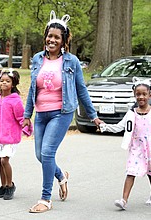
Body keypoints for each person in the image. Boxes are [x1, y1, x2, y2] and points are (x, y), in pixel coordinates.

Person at [23, 10, 103, 213]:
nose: (52, 40)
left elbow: (81, 89)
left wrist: (93, 115)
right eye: (50, 36)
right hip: (41, 113)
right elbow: (33, 88)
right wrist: (26, 115)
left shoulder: (71, 61)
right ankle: (61, 176)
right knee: (41, 155)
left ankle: (45, 198)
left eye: (57, 37)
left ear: (64, 40)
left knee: (48, 152)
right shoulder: (37, 59)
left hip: (61, 112)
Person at [100, 78, 151, 210]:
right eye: (138, 94)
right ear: (134, 95)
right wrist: (104, 126)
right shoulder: (131, 114)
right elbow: (119, 127)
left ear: (149, 95)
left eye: (144, 94)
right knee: (131, 172)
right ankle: (124, 200)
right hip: (136, 149)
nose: (141, 97)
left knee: (150, 173)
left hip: (150, 148)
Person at [0, 68, 32, 200]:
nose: (4, 83)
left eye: (7, 81)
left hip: (11, 137)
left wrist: (27, 129)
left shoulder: (15, 100)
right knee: (0, 161)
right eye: (2, 81)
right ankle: (3, 186)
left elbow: (22, 118)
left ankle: (10, 186)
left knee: (5, 160)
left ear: (13, 84)